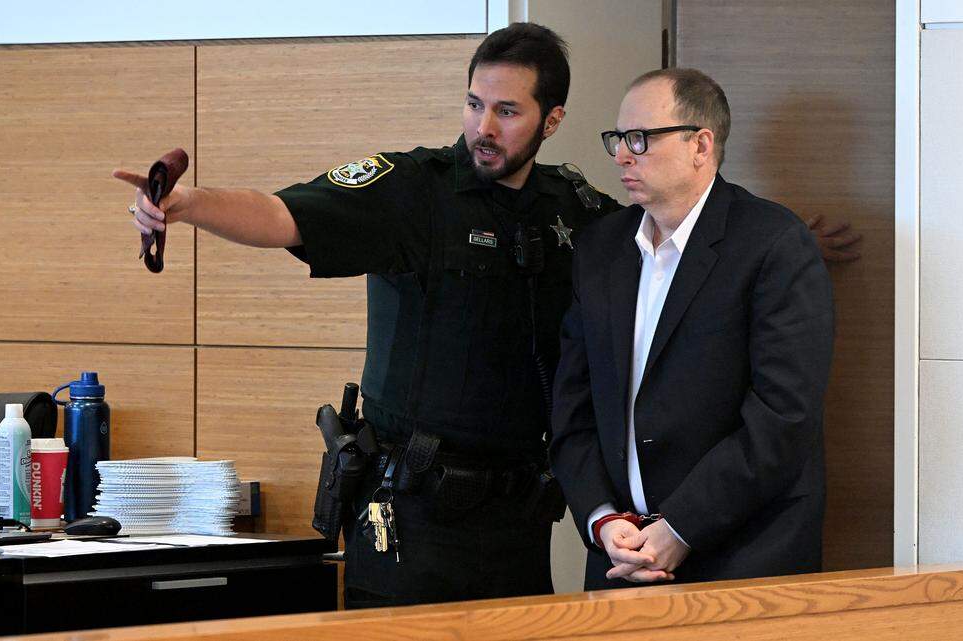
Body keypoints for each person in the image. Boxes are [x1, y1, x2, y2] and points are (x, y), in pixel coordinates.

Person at [117, 25, 854, 606]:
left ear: (551, 118)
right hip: (414, 517)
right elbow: (282, 214)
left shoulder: (580, 215)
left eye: (506, 111)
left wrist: (777, 242)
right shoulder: (412, 190)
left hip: (517, 524)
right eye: (474, 105)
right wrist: (186, 207)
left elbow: (697, 247)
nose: (484, 127)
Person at [549, 68, 835, 589]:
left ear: (700, 144)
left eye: (640, 139)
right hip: (623, 556)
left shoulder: (773, 244)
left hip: (745, 557)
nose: (621, 156)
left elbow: (784, 416)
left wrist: (679, 528)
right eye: (617, 139)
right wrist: (601, 518)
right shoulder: (600, 248)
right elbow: (573, 406)